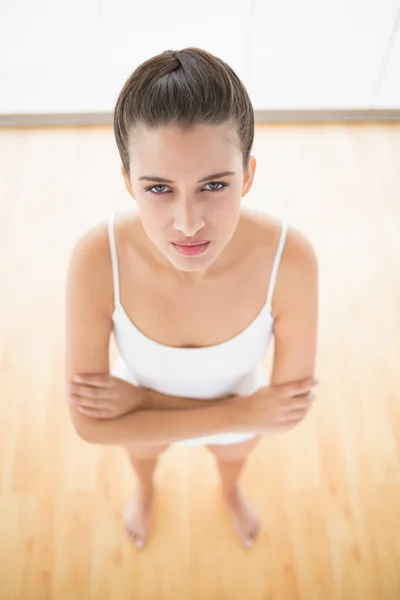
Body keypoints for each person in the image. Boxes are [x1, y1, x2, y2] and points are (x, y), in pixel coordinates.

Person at [65, 47, 319, 550]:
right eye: (158, 188)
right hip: (221, 405)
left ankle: (230, 490)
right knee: (143, 456)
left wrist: (139, 402)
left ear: (247, 175)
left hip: (140, 408)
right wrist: (242, 413)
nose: (187, 224)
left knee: (232, 458)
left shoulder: (291, 259)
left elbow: (288, 412)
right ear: (128, 183)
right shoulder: (97, 258)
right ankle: (144, 488)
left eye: (214, 185)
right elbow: (87, 427)